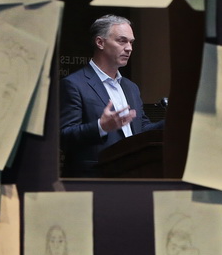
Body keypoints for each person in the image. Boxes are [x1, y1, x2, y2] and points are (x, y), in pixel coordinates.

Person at [59, 14, 163, 176]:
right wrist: (101, 126)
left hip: (134, 176)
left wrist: (171, 122)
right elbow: (63, 137)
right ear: (100, 42)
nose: (129, 48)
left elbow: (142, 130)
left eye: (131, 42)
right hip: (94, 180)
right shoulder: (73, 84)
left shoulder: (131, 87)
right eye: (122, 41)